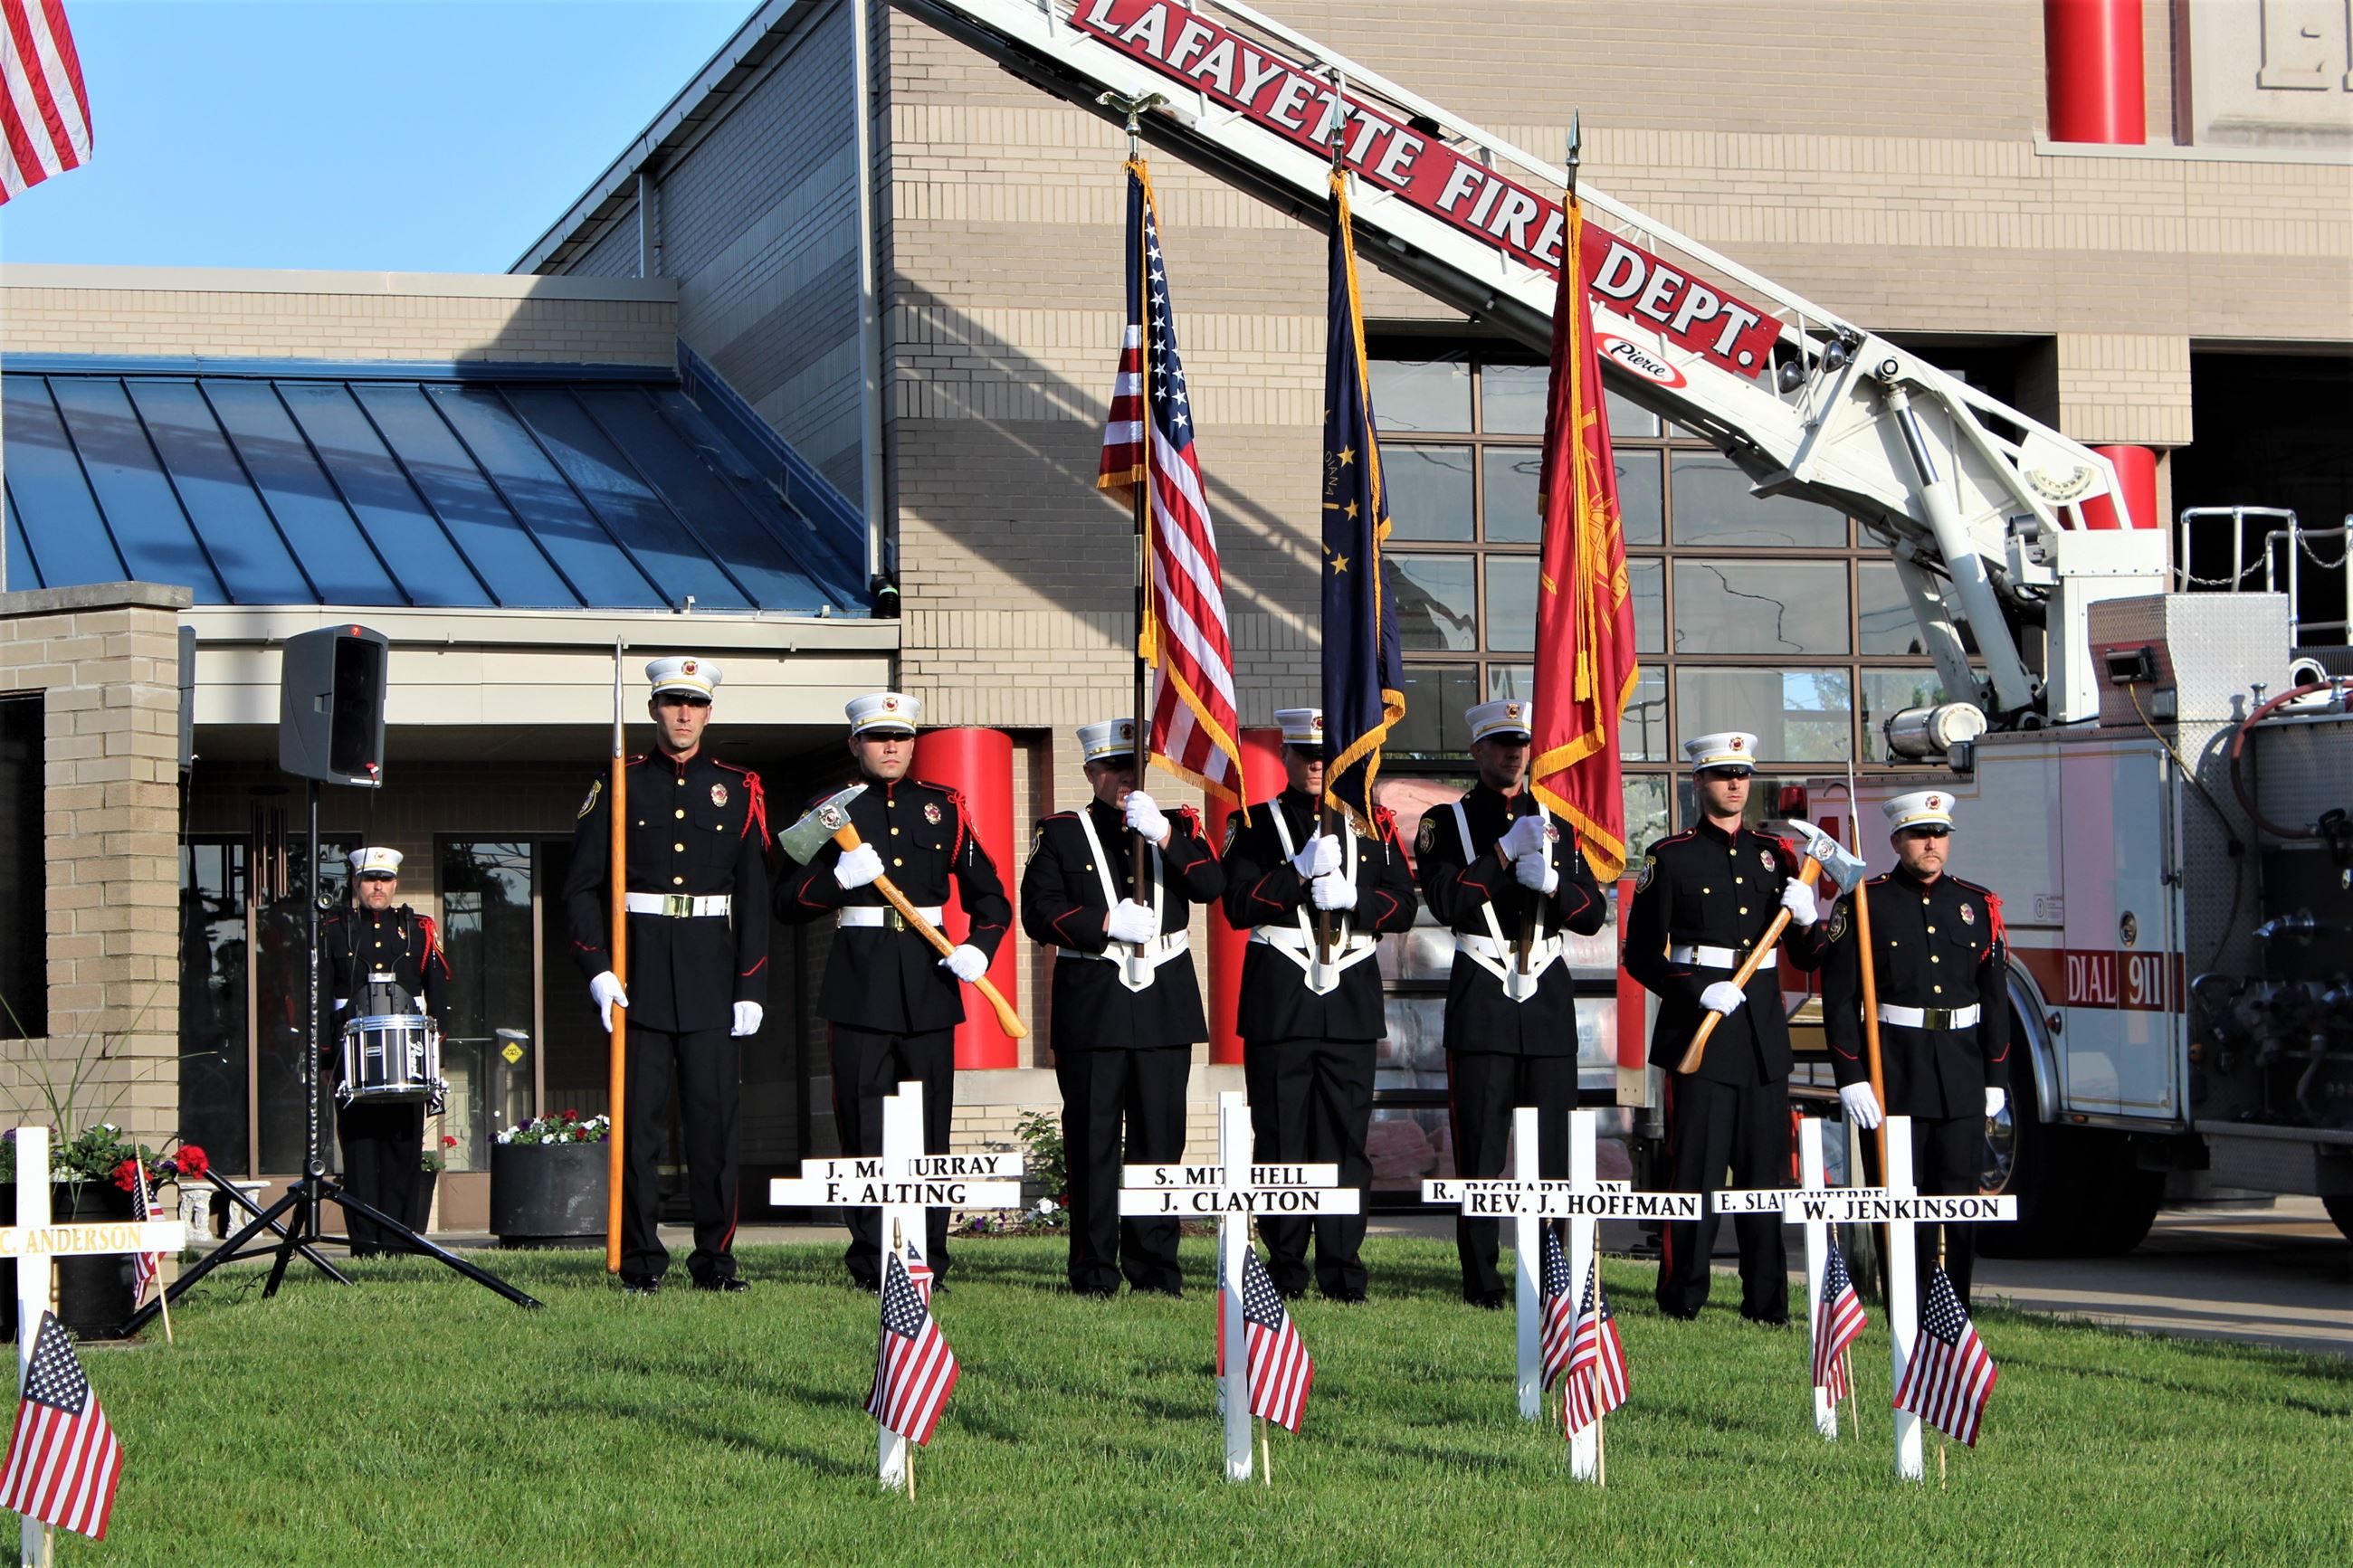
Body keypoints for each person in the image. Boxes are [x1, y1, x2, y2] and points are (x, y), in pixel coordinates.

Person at [774, 691, 1011, 1293]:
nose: (891, 747)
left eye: (901, 737)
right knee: (863, 1128)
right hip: (859, 987)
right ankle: (872, 1262)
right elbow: (785, 901)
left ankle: (929, 1260)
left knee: (931, 1132)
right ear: (855, 743)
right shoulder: (828, 811)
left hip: (930, 982)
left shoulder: (944, 808)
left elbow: (991, 898)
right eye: (878, 737)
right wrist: (836, 881)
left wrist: (979, 947)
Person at [564, 656, 769, 1295]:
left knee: (715, 1129)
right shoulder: (619, 781)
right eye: (674, 701)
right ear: (654, 708)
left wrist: (751, 985)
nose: (684, 713)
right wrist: (598, 969)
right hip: (639, 976)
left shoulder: (740, 788)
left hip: (712, 977)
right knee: (637, 1132)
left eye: (695, 703)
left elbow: (754, 895)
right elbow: (581, 887)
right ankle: (640, 1262)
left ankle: (716, 1262)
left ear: (710, 712)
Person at [1622, 732, 1829, 1324]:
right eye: (1722, 774)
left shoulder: (1777, 856)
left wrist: (1809, 917)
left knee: (1766, 1176)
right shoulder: (1670, 857)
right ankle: (1682, 1296)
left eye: (1742, 774)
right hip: (1701, 1031)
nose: (1735, 784)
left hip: (1761, 1035)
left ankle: (1767, 1302)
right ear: (1699, 782)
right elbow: (1640, 955)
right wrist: (1694, 988)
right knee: (1696, 1172)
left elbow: (1810, 955)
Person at [1219, 707, 1418, 1302]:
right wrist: (1297, 874)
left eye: (1324, 756)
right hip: (1281, 999)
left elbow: (1403, 906)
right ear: (1284, 756)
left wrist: (1356, 899)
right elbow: (1237, 904)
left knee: (1345, 1139)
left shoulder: (1374, 825)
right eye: (1305, 754)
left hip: (1350, 998)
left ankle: (1341, 1266)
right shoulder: (1253, 823)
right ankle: (1284, 1267)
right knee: (1280, 1135)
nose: (1315, 765)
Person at [1413, 698, 1607, 1307]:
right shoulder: (1447, 823)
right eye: (1500, 743)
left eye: (1520, 742)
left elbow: (1592, 914)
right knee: (1480, 1147)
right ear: (1477, 750)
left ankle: (1551, 1271)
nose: (1513, 753)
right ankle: (1483, 1279)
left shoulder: (1557, 822)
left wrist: (1553, 882)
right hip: (1484, 992)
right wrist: (1500, 857)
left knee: (1554, 1150)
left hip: (1546, 995)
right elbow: (1446, 901)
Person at [1021, 718, 1224, 1298]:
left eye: (1133, 766)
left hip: (1164, 1002)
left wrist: (1165, 837)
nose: (1125, 778)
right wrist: (1104, 922)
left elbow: (1212, 885)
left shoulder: (1177, 824)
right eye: (1112, 768)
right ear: (1090, 772)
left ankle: (1155, 1269)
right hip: (1095, 1003)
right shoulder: (1062, 833)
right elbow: (1037, 911)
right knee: (1093, 1142)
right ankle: (1093, 1271)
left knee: (1160, 1140)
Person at [1821, 789, 2008, 1308]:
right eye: (1920, 835)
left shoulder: (1977, 905)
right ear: (1897, 840)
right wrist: (1851, 1075)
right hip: (1895, 1072)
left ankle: (1955, 1313)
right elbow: (1840, 1000)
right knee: (1900, 1201)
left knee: (1960, 1205)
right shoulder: (1865, 902)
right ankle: (1906, 1308)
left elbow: (1995, 1000)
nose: (1932, 844)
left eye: (1940, 834)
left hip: (1961, 1073)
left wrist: (1996, 1078)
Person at [325, 846, 449, 1256]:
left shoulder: (417, 929)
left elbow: (439, 992)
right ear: (355, 883)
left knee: (403, 1150)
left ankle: (400, 1242)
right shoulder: (335, 929)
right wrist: (327, 1057)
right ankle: (365, 1244)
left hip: (407, 1058)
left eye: (384, 879)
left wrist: (434, 1054)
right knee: (359, 1153)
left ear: (395, 883)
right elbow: (319, 995)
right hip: (354, 1059)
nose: (377, 887)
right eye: (369, 879)